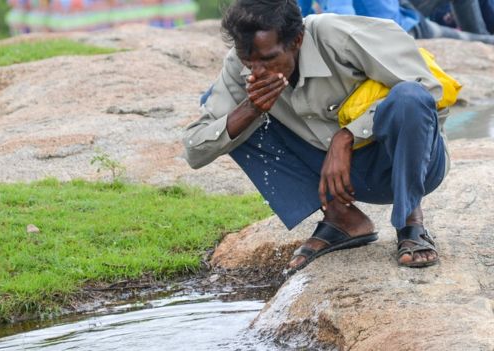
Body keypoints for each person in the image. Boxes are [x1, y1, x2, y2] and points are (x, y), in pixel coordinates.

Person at [183, 0, 449, 273]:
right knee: (233, 122)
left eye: (268, 59)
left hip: (406, 164)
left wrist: (348, 136)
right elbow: (194, 150)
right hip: (343, 180)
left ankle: (410, 221)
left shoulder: (337, 35)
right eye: (248, 61)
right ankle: (342, 218)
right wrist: (249, 108)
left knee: (409, 97)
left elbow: (427, 89)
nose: (257, 72)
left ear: (297, 40)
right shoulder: (240, 66)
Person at [298, 0, 494, 44]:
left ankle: (486, 40)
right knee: (474, 38)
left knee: (472, 39)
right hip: (401, 26)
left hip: (401, 26)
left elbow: (342, 20)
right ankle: (485, 39)